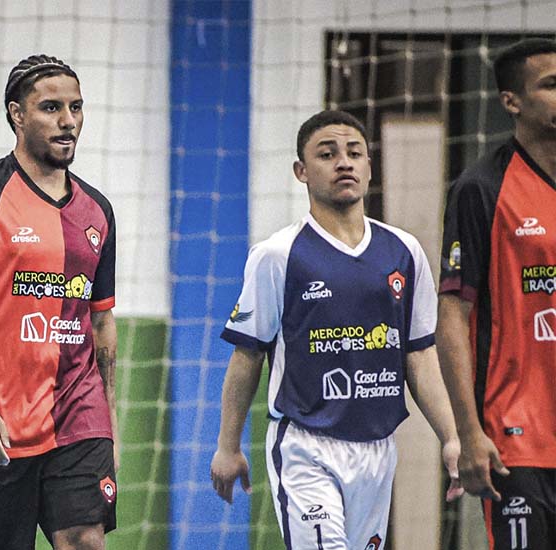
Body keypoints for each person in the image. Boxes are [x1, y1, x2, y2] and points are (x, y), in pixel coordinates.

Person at [210, 110, 461, 550]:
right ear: (301, 171)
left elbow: (419, 356)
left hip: (379, 449)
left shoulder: (405, 252)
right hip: (306, 447)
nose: (344, 162)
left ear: (369, 166)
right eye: (327, 154)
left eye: (354, 153)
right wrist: (227, 446)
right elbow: (247, 355)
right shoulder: (277, 255)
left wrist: (452, 437)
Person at [0, 54, 118, 550]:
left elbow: (102, 324)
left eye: (76, 107)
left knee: (84, 538)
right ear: (16, 114)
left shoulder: (97, 211)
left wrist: (109, 422)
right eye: (51, 108)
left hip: (79, 412)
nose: (68, 121)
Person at [437, 38, 556, 549]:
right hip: (517, 445)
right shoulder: (481, 188)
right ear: (512, 101)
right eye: (551, 84)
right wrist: (468, 433)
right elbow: (452, 314)